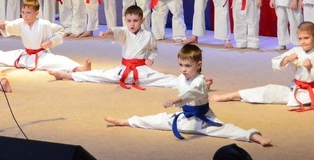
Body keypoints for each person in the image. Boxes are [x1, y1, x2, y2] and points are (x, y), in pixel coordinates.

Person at [104, 43, 271, 145]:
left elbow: (193, 92)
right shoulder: (181, 78)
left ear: (198, 65)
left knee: (227, 130)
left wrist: (176, 99)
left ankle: (254, 136)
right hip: (184, 117)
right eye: (181, 65)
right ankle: (126, 121)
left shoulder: (199, 81)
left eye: (188, 66)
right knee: (158, 119)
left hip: (204, 119)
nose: (183, 69)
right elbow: (182, 85)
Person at [210, 21, 314, 115]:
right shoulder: (296, 50)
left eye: (306, 38)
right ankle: (229, 95)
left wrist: (310, 67)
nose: (303, 42)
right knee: (267, 91)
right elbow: (276, 64)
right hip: (294, 89)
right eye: (300, 38)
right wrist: (286, 59)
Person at [49, 5, 177, 89]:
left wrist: (150, 58)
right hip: (123, 70)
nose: (132, 24)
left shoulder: (148, 35)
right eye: (129, 21)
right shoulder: (125, 32)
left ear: (142, 21)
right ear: (125, 20)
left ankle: (186, 81)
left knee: (162, 79)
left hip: (141, 71)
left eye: (135, 21)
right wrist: (107, 32)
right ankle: (66, 75)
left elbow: (153, 49)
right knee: (101, 75)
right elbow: (117, 31)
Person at [0, 0, 89, 74]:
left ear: (36, 13)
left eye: (28, 13)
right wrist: (3, 25)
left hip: (41, 56)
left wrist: (49, 42)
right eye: (23, 12)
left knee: (59, 61)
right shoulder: (21, 23)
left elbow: (60, 31)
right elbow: (10, 25)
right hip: (25, 54)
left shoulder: (43, 24)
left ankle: (80, 68)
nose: (25, 16)